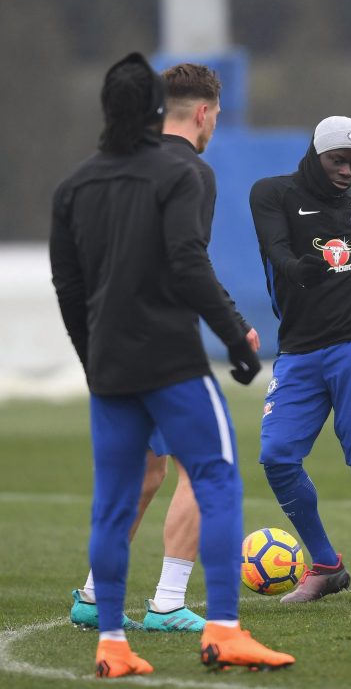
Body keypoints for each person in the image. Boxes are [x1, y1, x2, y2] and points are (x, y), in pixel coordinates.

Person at [50, 51, 293, 677]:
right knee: (216, 478)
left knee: (124, 491)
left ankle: (110, 638)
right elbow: (187, 263)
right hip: (169, 360)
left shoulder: (73, 185)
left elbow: (69, 288)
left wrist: (93, 360)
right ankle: (215, 626)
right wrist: (237, 338)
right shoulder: (183, 174)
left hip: (111, 367)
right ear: (203, 114)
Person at [249, 115, 351, 602]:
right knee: (276, 457)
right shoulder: (271, 194)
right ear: (315, 155)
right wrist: (299, 270)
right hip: (297, 351)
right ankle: (326, 565)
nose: (347, 170)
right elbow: (275, 248)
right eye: (338, 160)